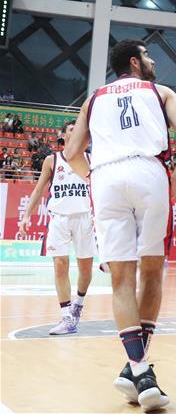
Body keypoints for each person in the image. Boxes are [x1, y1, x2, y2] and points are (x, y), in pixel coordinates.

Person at [64, 39, 176, 411]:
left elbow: (71, 153)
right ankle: (142, 373)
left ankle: (135, 369)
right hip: (148, 171)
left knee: (121, 278)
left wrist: (92, 176)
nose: (153, 61)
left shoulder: (94, 99)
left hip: (105, 177)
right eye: (148, 55)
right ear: (135, 63)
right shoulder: (161, 91)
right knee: (151, 273)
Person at [19, 121, 95, 335]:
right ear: (62, 135)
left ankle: (78, 303)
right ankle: (66, 316)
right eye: (71, 129)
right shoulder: (51, 160)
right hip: (59, 219)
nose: (76, 131)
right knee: (60, 264)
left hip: (84, 218)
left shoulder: (91, 159)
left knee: (85, 269)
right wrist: (25, 216)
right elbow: (38, 190)